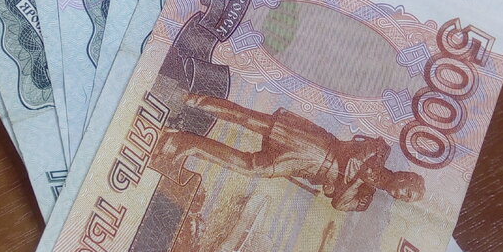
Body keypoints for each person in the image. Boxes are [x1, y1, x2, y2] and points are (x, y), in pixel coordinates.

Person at [155, 93, 424, 211]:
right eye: (408, 191)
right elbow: (352, 157)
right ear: (406, 177)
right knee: (249, 119)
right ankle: (192, 99)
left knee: (253, 167)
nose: (402, 196)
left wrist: (355, 181)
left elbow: (340, 203)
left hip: (306, 167)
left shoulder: (364, 199)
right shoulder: (381, 149)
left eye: (406, 199)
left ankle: (187, 143)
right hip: (315, 143)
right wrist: (349, 180)